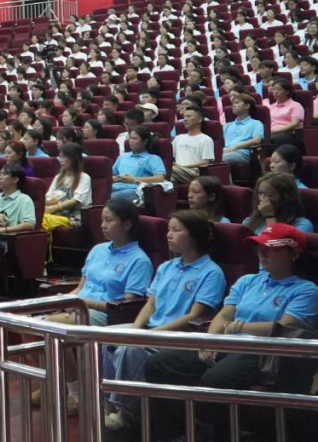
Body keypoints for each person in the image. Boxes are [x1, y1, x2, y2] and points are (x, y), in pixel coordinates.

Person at [143, 224, 318, 441]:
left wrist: (237, 327)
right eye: (259, 248)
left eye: (271, 249)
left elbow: (282, 327)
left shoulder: (306, 290)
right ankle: (177, 432)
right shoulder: (247, 281)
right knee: (157, 364)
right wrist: (209, 342)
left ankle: (217, 436)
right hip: (228, 343)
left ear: (293, 254)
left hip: (264, 351)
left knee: (214, 381)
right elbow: (224, 315)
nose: (262, 254)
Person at [102, 211, 227, 431]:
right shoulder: (166, 267)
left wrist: (152, 334)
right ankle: (107, 404)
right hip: (154, 328)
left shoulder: (211, 272)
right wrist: (136, 329)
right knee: (106, 338)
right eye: (168, 229)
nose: (168, 235)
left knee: (130, 350)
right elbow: (151, 304)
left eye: (176, 230)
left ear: (194, 236)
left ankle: (127, 412)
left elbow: (194, 316)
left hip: (179, 336)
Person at [32, 200, 153, 415]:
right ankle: (52, 382)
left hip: (106, 314)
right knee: (28, 323)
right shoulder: (97, 250)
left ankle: (77, 394)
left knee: (49, 327)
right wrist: (64, 300)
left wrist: (82, 304)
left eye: (109, 220)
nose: (103, 226)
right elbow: (81, 288)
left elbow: (129, 304)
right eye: (102, 221)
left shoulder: (139, 260)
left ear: (127, 224)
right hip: (78, 306)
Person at [41, 143, 93, 259]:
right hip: (55, 214)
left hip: (73, 217)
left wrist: (53, 208)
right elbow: (48, 197)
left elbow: (76, 200)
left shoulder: (84, 177)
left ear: (74, 159)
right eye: (60, 156)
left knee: (43, 220)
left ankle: (44, 258)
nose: (61, 160)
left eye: (65, 157)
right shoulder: (59, 177)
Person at [109, 125, 166, 204]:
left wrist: (133, 179)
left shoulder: (153, 158)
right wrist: (115, 178)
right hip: (114, 187)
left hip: (134, 190)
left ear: (145, 141)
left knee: (108, 198)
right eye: (130, 138)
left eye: (135, 138)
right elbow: (110, 175)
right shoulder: (123, 156)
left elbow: (160, 178)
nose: (131, 141)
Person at [243, 172, 314, 234]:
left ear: (285, 198)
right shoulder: (250, 222)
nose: (262, 198)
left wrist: (270, 216)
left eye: (269, 195)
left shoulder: (302, 225)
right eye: (260, 193)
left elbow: (275, 243)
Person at [170, 107, 215, 184]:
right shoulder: (178, 138)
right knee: (168, 180)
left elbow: (205, 162)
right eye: (184, 117)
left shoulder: (206, 139)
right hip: (177, 171)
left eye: (188, 116)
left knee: (166, 170)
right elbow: (169, 156)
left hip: (194, 172)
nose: (185, 119)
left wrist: (184, 167)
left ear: (199, 119)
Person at [221, 93, 265, 165]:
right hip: (226, 152)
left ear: (247, 106)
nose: (233, 105)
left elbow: (256, 140)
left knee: (219, 160)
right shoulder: (227, 126)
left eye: (237, 103)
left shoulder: (256, 123)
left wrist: (236, 147)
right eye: (233, 103)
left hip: (242, 153)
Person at [264, 77, 304, 147]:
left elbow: (294, 124)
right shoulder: (271, 107)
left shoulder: (295, 105)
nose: (275, 92)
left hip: (288, 134)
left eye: (279, 89)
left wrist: (276, 131)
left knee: (270, 139)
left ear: (287, 91)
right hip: (271, 133)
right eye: (274, 89)